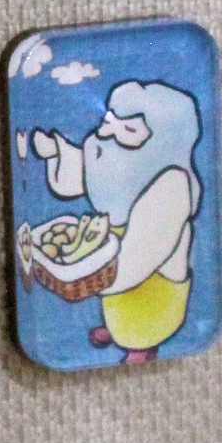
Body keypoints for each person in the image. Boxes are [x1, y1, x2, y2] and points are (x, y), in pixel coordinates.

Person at [33, 81, 203, 364]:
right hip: (117, 292)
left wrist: (77, 277)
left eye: (130, 129)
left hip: (154, 303)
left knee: (139, 323)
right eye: (109, 122)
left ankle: (142, 345)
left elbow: (137, 261)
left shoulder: (172, 186)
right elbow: (82, 176)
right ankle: (118, 331)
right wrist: (56, 152)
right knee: (118, 309)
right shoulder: (118, 161)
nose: (109, 134)